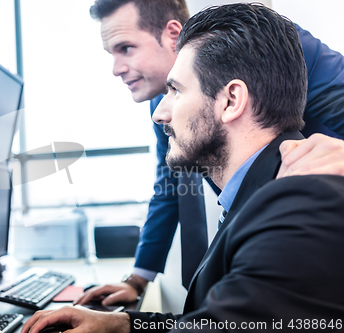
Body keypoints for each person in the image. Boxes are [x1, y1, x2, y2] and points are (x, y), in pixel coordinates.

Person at [19, 4, 344, 332]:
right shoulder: (172, 109)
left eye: (126, 48)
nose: (116, 68)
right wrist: (128, 304)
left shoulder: (265, 45)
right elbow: (170, 186)